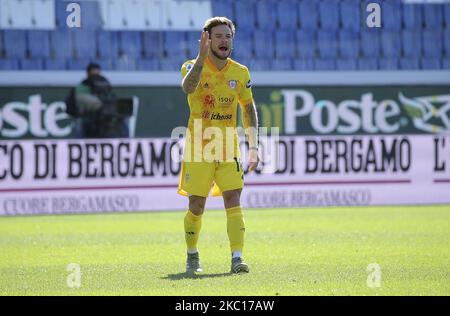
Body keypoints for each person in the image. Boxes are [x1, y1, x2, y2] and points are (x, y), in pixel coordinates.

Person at [178, 17, 259, 274]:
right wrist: (201, 59)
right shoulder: (191, 66)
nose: (224, 40)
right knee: (196, 205)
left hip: (228, 145)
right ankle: (192, 254)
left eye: (228, 36)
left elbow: (248, 107)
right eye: (219, 36)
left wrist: (254, 145)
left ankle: (237, 258)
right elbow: (187, 88)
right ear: (207, 40)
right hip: (199, 145)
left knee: (233, 196)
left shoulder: (240, 72)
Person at [68, 63, 129, 138]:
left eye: (97, 72)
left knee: (121, 119)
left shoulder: (104, 83)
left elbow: (111, 97)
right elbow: (78, 103)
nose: (96, 74)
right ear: (88, 73)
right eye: (93, 72)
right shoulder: (82, 86)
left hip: (104, 119)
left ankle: (127, 141)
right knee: (79, 125)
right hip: (87, 119)